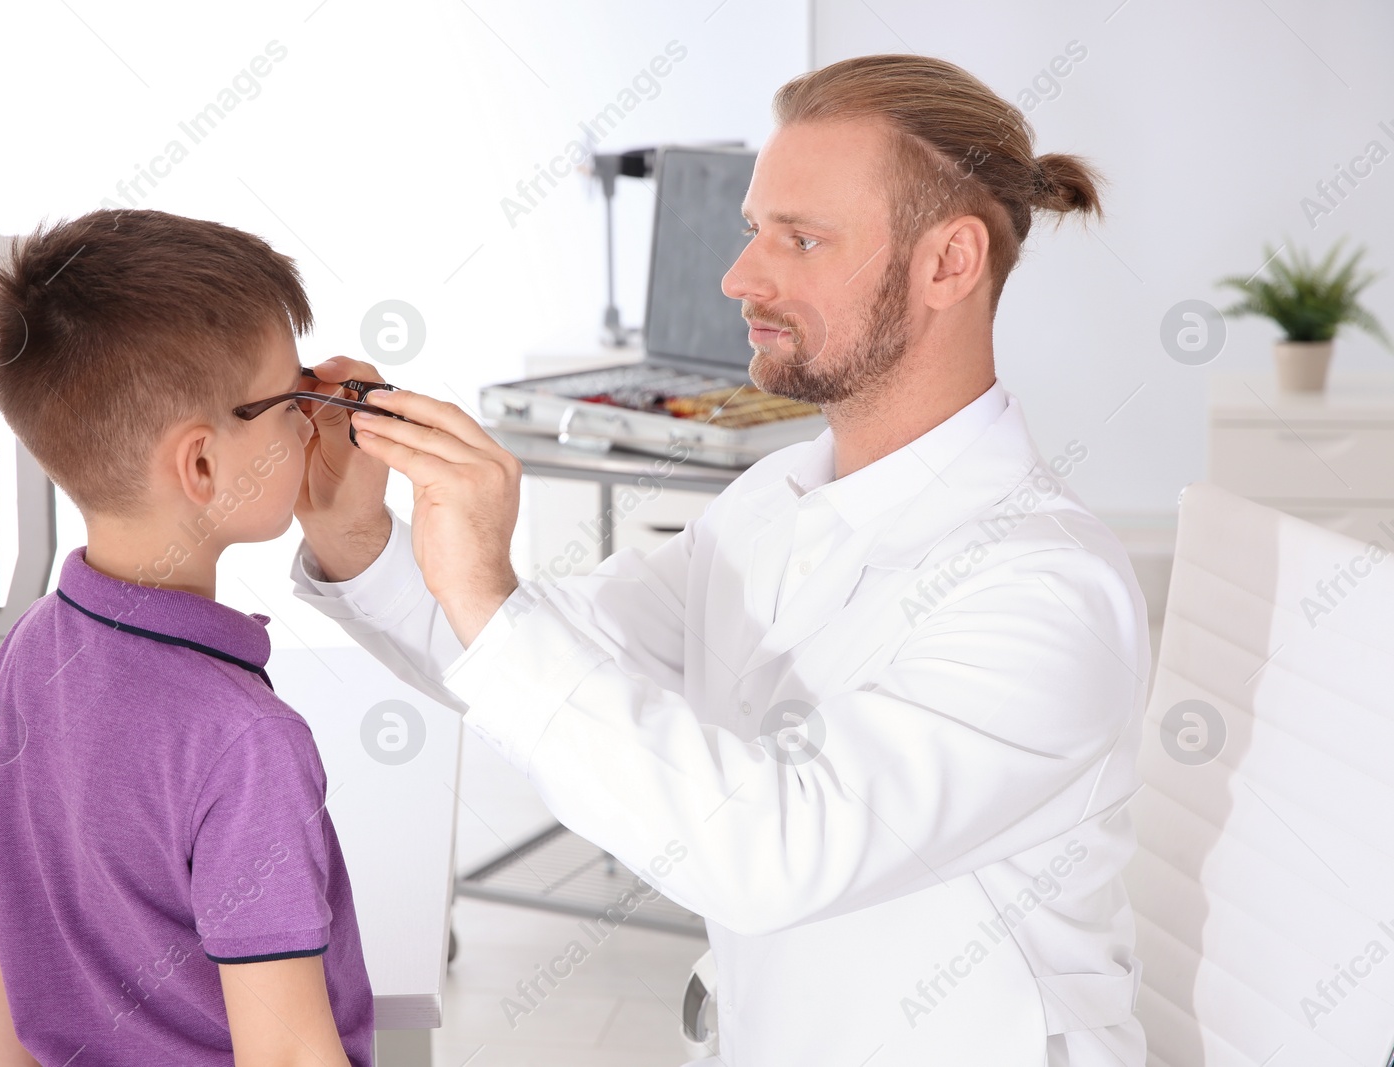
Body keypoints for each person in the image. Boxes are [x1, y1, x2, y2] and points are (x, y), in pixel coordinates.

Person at [292, 55, 1148, 1066]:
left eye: (802, 238)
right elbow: (532, 651)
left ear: (948, 263)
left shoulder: (1044, 589)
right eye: (754, 229)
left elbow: (769, 846)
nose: (739, 277)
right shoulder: (773, 499)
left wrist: (483, 583)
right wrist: (360, 540)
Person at [0, 209, 373, 1067]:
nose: (314, 418)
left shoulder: (31, 649)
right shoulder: (246, 741)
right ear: (200, 466)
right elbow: (291, 1054)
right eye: (289, 399)